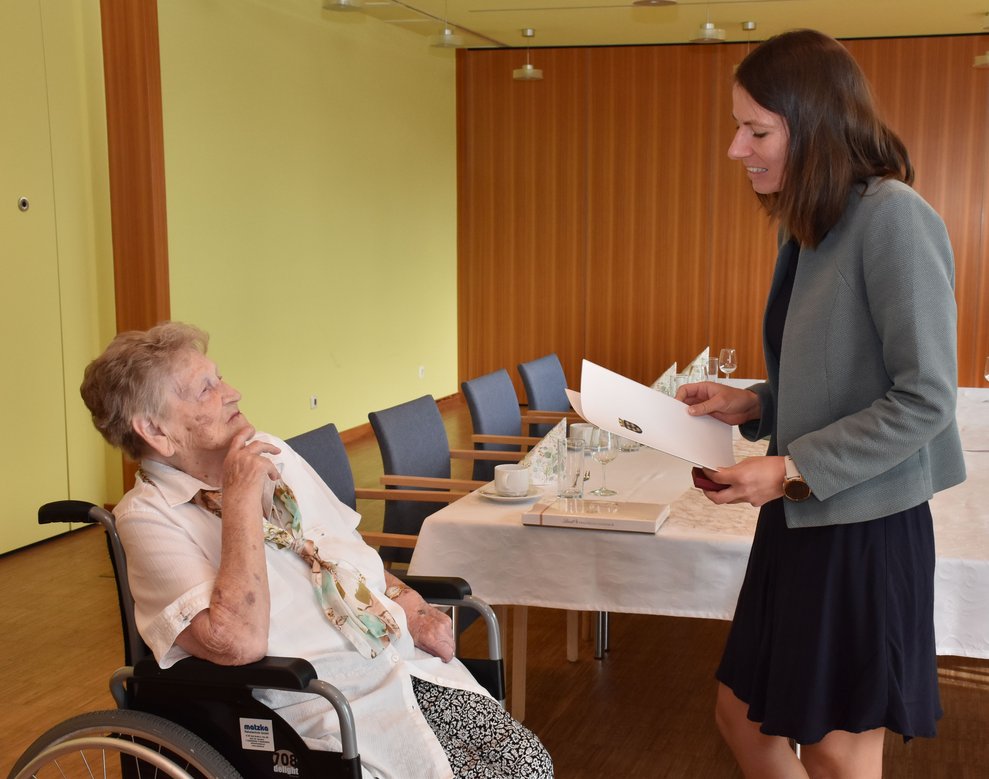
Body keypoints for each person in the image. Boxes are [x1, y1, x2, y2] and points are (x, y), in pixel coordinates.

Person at [677, 30, 966, 779]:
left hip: (864, 527)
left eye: (757, 130)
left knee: (838, 748)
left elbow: (925, 398)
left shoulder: (893, 217)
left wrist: (788, 469)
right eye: (737, 127)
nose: (736, 148)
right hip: (801, 517)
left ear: (816, 127)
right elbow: (839, 379)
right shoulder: (811, 225)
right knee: (743, 718)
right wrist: (753, 403)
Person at [80, 321, 553, 779]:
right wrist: (239, 499)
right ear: (155, 430)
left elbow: (346, 549)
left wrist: (410, 603)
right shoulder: (149, 517)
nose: (233, 393)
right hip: (320, 708)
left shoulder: (270, 451)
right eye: (206, 389)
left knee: (529, 765)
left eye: (219, 378)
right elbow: (237, 643)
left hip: (401, 665)